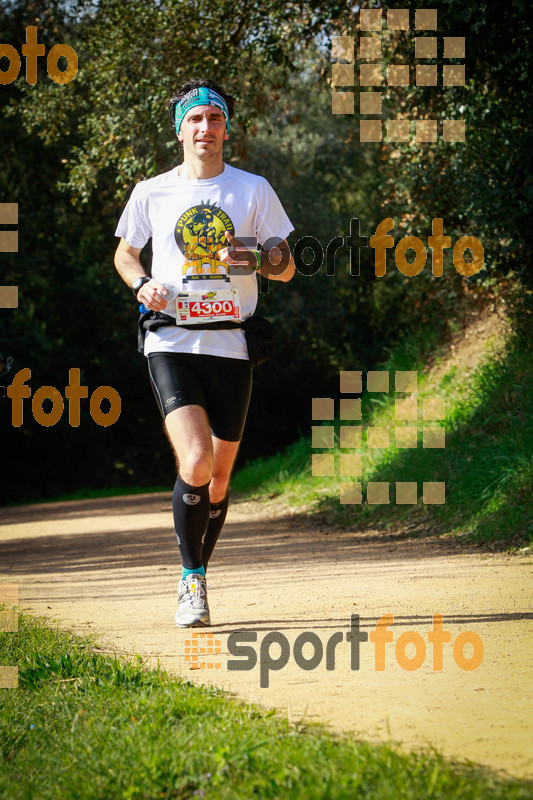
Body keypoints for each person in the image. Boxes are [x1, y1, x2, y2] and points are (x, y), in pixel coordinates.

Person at [114, 78, 295, 627]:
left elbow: (285, 265)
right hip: (170, 340)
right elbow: (125, 254)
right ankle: (191, 581)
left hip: (232, 344)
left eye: (214, 119)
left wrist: (253, 257)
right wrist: (141, 285)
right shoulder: (151, 192)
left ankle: (198, 575)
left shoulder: (253, 189)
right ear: (179, 129)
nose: (205, 129)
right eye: (194, 120)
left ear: (225, 129)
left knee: (217, 478)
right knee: (194, 461)